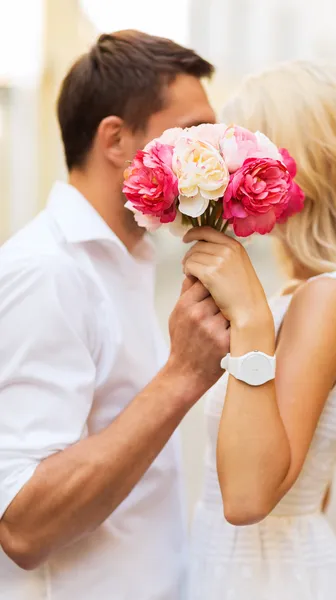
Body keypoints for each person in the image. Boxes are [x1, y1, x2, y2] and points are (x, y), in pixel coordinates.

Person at [0, 30, 229, 600]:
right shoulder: (47, 272)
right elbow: (22, 527)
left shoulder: (131, 259)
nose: (213, 159)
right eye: (192, 135)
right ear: (116, 140)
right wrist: (183, 376)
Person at [184, 62, 336, 599]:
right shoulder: (317, 295)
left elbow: (244, 498)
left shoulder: (329, 298)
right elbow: (311, 486)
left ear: (303, 167)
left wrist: (249, 320)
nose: (225, 180)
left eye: (241, 161)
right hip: (267, 566)